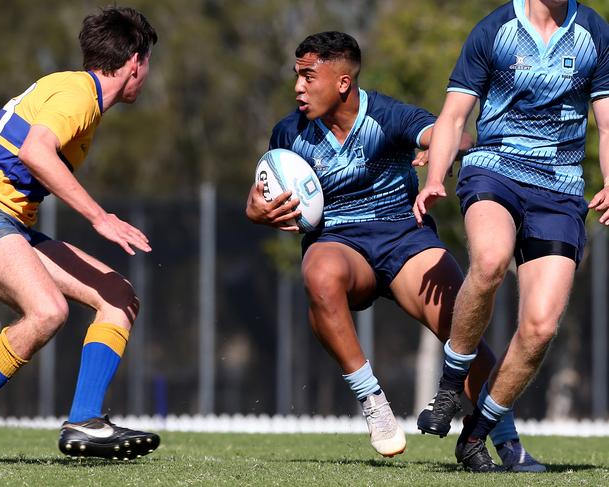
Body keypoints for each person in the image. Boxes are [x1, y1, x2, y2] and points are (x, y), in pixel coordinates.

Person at [246, 31, 543, 470]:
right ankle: (372, 400)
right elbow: (263, 193)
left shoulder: (386, 115)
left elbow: (452, 135)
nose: (298, 88)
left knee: (466, 339)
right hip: (340, 243)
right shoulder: (289, 133)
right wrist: (254, 208)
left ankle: (503, 438)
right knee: (318, 272)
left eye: (309, 77)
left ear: (343, 82)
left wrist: (442, 148)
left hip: (405, 238)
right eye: (297, 76)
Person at [413, 0, 609, 473]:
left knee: (540, 328)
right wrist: (435, 176)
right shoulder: (495, 30)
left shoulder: (594, 32)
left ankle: (477, 432)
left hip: (560, 188)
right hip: (495, 170)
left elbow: (607, 123)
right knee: (491, 260)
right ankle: (449, 384)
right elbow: (455, 116)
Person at [0, 7, 160, 465]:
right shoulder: (78, 95)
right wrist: (99, 216)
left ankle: (85, 421)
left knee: (118, 295)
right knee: (48, 310)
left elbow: (10, 155)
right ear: (134, 61)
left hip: (0, 221)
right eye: (147, 65)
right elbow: (34, 153)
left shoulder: (73, 92)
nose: (146, 75)